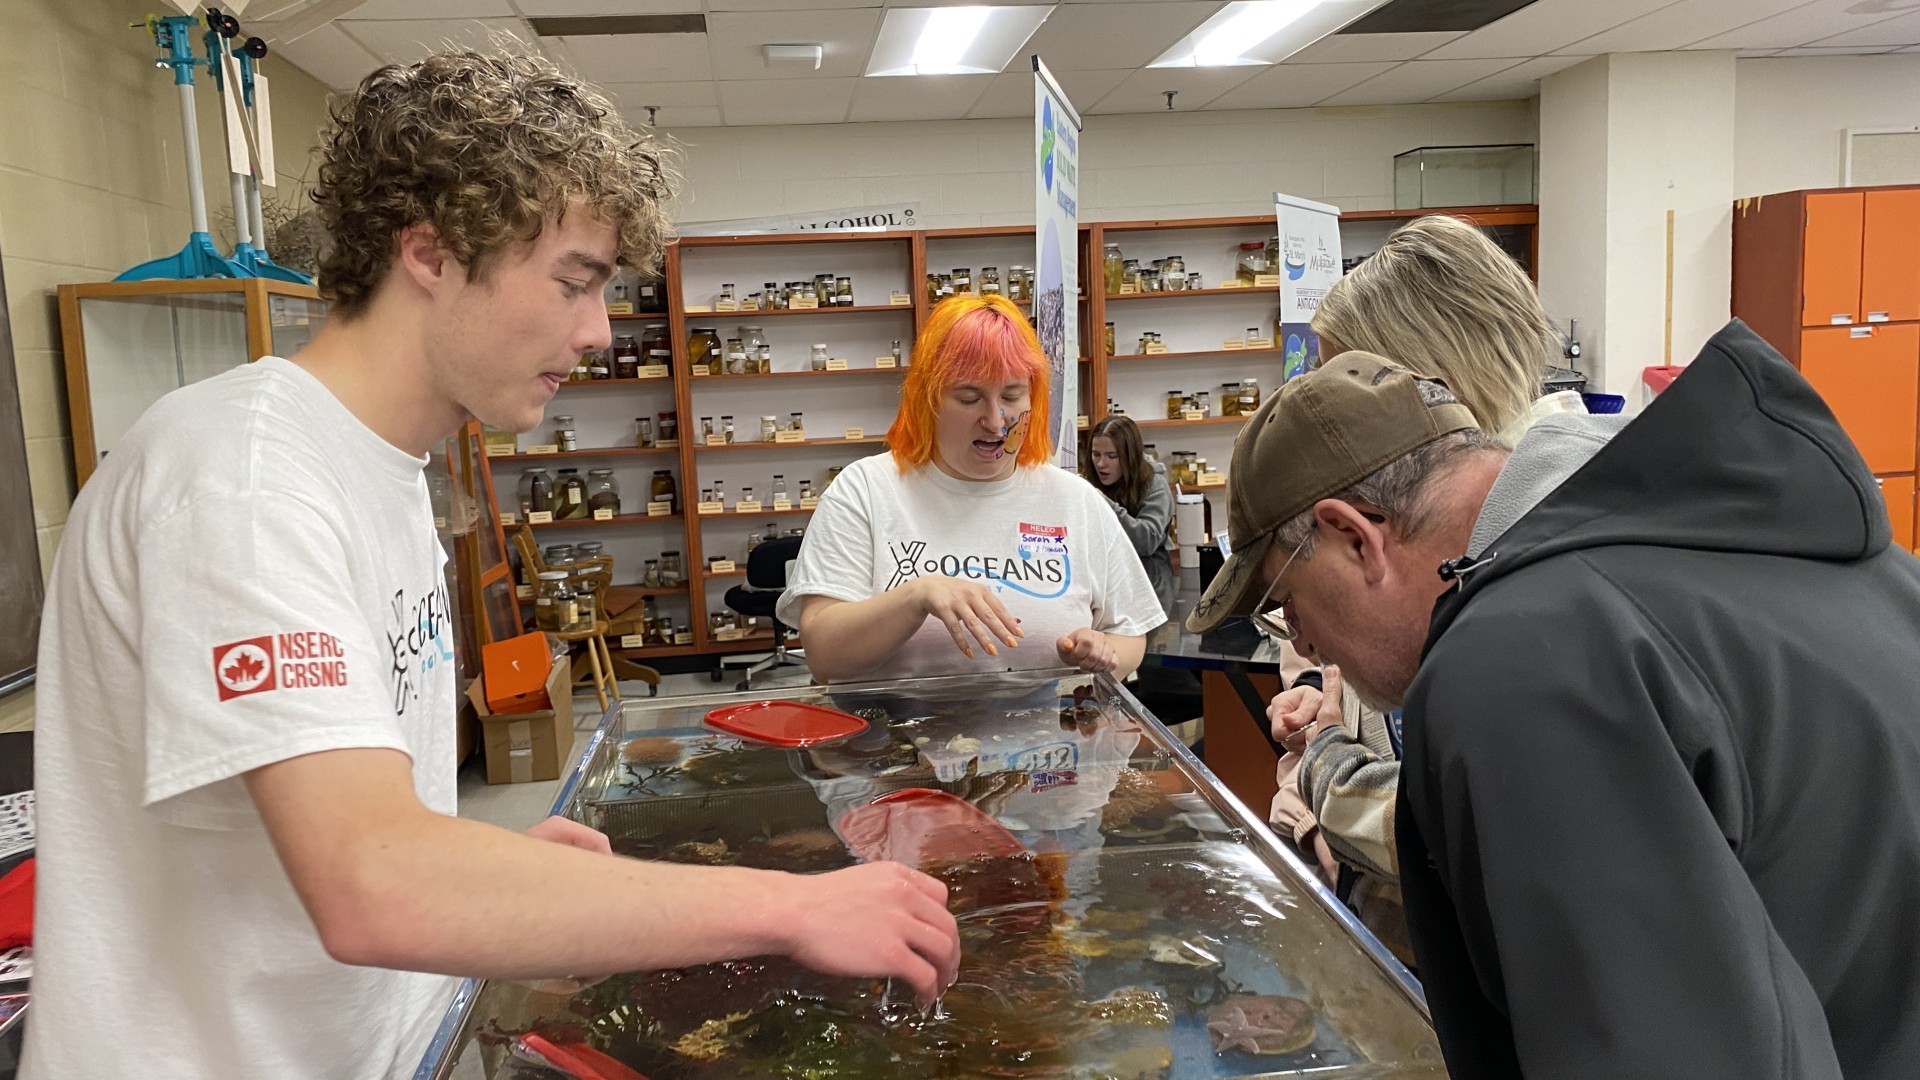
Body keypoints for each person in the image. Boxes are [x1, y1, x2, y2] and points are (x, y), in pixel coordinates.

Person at [27, 52, 958, 1080]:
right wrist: (795, 907)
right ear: (430, 251)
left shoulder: (383, 470)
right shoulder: (244, 478)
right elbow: (376, 880)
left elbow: (361, 820)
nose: (598, 333)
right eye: (572, 284)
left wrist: (503, 881)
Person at [1188, 336, 1920, 1080]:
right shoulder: (1803, 553)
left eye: (1285, 605)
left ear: (1354, 535)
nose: (1301, 640)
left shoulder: (1523, 662)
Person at [1264, 213, 1575, 959]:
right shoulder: (1422, 524)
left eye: (1350, 386)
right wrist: (1321, 695)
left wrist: (1328, 779)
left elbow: (1477, 823)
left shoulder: (1544, 546)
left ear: (1434, 377)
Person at [779, 294, 1166, 683]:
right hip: (893, 738)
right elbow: (825, 654)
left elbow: (1130, 631)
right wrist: (915, 598)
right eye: (970, 398)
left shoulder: (1076, 500)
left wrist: (1103, 651)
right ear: (928, 401)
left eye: (1012, 396)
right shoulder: (865, 490)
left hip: (1050, 737)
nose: (996, 421)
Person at [1311, 213, 1579, 447]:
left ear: (1443, 367)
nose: (1346, 416)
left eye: (1358, 391)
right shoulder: (1551, 450)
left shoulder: (1519, 490)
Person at [1081, 414, 1175, 613]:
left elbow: (1146, 541)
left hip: (1149, 587)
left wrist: (1105, 504)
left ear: (1129, 456)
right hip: (1104, 584)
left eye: (1112, 456)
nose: (1101, 464)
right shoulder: (1088, 481)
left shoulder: (1154, 485)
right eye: (1096, 454)